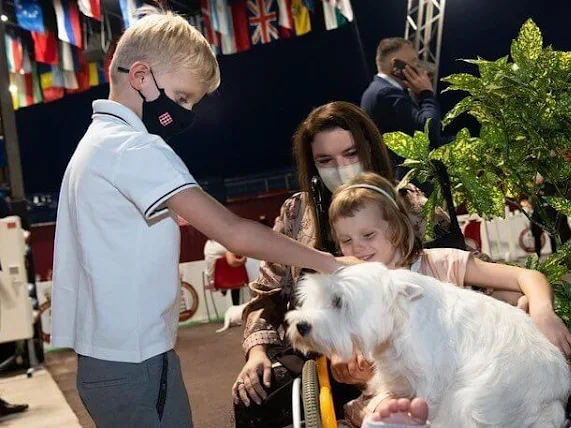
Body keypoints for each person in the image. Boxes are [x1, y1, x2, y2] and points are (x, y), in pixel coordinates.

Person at [50, 9, 348, 428]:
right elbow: (234, 232)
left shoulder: (98, 143)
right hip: (132, 363)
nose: (186, 111)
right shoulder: (132, 148)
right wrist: (333, 264)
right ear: (140, 76)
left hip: (119, 359)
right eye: (183, 97)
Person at [232, 101, 440, 428]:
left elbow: (459, 270)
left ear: (370, 151)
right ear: (312, 166)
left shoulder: (409, 203)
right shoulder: (295, 212)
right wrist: (257, 353)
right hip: (317, 356)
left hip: (399, 353)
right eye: (325, 160)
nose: (340, 167)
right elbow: (267, 293)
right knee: (255, 397)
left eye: (351, 153)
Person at [328, 173, 571, 426]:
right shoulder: (353, 296)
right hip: (406, 398)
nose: (357, 248)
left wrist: (542, 312)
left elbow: (527, 276)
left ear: (395, 228)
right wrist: (351, 363)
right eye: (346, 241)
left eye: (368, 235)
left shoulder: (441, 264)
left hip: (465, 388)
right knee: (384, 410)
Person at [360, 38, 444, 180]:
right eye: (414, 62)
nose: (419, 68)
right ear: (396, 65)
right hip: (402, 180)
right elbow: (429, 131)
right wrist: (426, 93)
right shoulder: (385, 93)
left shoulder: (379, 90)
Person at [203, 240, 246, 305]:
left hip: (213, 280)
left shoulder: (208, 244)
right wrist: (243, 260)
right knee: (236, 265)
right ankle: (235, 305)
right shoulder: (226, 244)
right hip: (232, 280)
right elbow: (232, 262)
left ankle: (223, 290)